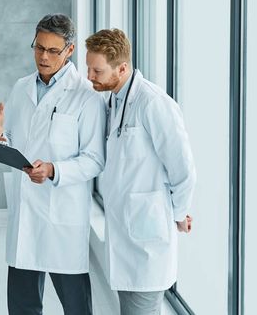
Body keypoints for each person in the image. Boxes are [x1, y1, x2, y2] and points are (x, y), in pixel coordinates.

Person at [0, 14, 105, 315]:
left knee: (76, 307)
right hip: (26, 211)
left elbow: (94, 160)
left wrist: (54, 170)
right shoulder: (21, 87)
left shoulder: (86, 96)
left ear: (70, 50)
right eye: (38, 48)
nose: (43, 56)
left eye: (53, 50)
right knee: (22, 306)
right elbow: (13, 138)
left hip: (61, 213)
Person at [85, 28, 196, 315]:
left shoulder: (154, 103)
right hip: (125, 233)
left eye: (96, 71)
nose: (89, 77)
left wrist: (178, 214)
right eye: (89, 68)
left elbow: (183, 169)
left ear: (121, 68)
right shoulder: (114, 98)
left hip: (147, 241)